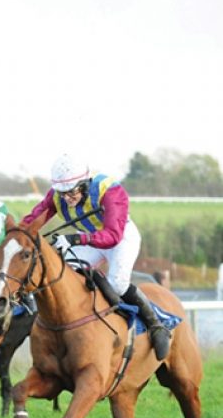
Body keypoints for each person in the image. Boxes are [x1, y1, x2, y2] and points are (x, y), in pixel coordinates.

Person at [20, 154, 171, 360]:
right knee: (63, 274)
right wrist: (14, 235)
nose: (66, 198)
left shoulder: (110, 191)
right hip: (88, 239)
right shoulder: (58, 195)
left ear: (84, 184)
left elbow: (112, 236)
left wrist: (76, 239)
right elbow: (32, 220)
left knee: (117, 284)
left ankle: (156, 325)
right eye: (62, 193)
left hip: (120, 238)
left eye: (71, 192)